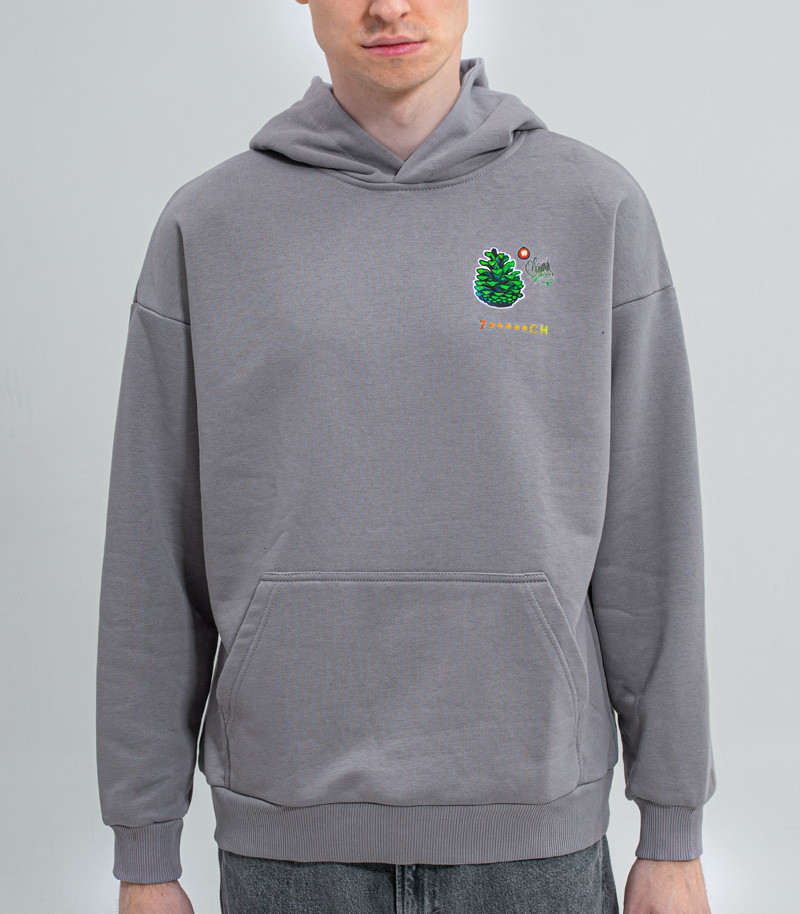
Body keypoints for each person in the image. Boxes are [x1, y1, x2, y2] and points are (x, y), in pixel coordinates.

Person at [95, 1, 718, 912]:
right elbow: (153, 552)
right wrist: (144, 853)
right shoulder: (210, 225)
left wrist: (671, 829)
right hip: (290, 849)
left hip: (534, 845)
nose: (388, 6)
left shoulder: (592, 206)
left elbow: (651, 534)